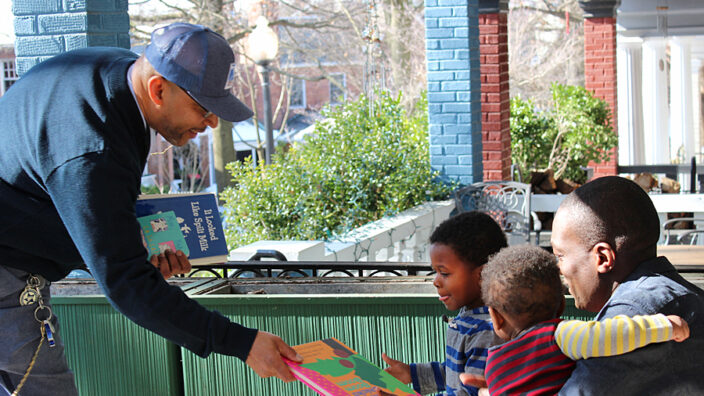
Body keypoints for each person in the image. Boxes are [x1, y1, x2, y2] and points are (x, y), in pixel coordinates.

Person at [0, 23, 301, 396]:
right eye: (204, 108)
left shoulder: (120, 77)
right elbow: (127, 285)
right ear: (158, 89)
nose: (211, 123)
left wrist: (134, 248)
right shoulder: (93, 147)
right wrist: (242, 343)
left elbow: (90, 212)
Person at [463, 245, 689, 396]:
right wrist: (664, 326)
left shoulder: (493, 364)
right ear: (562, 305)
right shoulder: (557, 336)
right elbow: (609, 336)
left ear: (495, 317)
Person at [550, 176, 704, 394]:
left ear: (602, 258)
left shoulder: (632, 318)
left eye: (560, 255)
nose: (559, 268)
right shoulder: (690, 296)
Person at [381, 212, 506, 396]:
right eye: (435, 273)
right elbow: (454, 373)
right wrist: (411, 373)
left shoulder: (488, 331)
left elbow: (470, 393)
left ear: (483, 275)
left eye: (444, 273)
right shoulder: (469, 316)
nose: (436, 281)